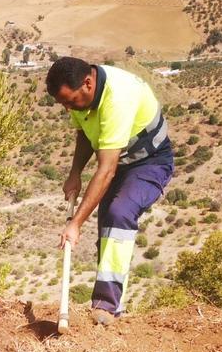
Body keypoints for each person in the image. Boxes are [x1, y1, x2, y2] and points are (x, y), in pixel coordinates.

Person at [47, 56, 174, 325]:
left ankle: (107, 307)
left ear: (88, 83)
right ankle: (106, 304)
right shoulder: (84, 96)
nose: (69, 110)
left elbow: (106, 171)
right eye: (64, 104)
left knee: (119, 214)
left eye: (70, 102)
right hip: (118, 160)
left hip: (149, 163)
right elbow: (84, 133)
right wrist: (75, 174)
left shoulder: (117, 98)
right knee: (107, 230)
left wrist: (75, 225)